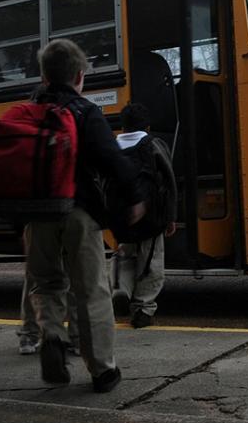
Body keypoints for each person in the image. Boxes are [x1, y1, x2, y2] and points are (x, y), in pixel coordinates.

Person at [24, 38, 145, 393]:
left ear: (45, 76)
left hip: (37, 215)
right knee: (91, 290)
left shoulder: (28, 113)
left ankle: (51, 335)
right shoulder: (85, 111)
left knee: (45, 284)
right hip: (78, 212)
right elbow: (112, 160)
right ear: (79, 76)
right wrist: (135, 198)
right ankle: (102, 370)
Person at [111, 102, 177, 329]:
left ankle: (121, 289)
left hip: (122, 219)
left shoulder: (112, 148)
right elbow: (169, 182)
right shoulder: (154, 145)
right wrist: (170, 217)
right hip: (151, 217)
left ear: (123, 126)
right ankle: (143, 308)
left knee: (126, 255)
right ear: (147, 126)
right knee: (151, 262)